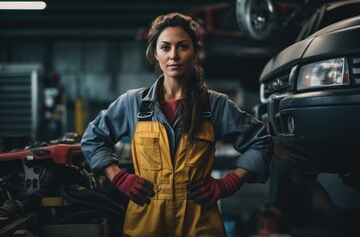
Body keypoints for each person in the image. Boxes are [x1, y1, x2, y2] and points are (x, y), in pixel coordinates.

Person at [81, 12, 274, 237]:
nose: (173, 55)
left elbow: (261, 142)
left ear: (195, 52)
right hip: (146, 223)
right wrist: (118, 176)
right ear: (155, 53)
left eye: (182, 46)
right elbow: (93, 138)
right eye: (165, 47)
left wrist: (228, 184)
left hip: (199, 223)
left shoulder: (215, 105)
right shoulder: (133, 103)